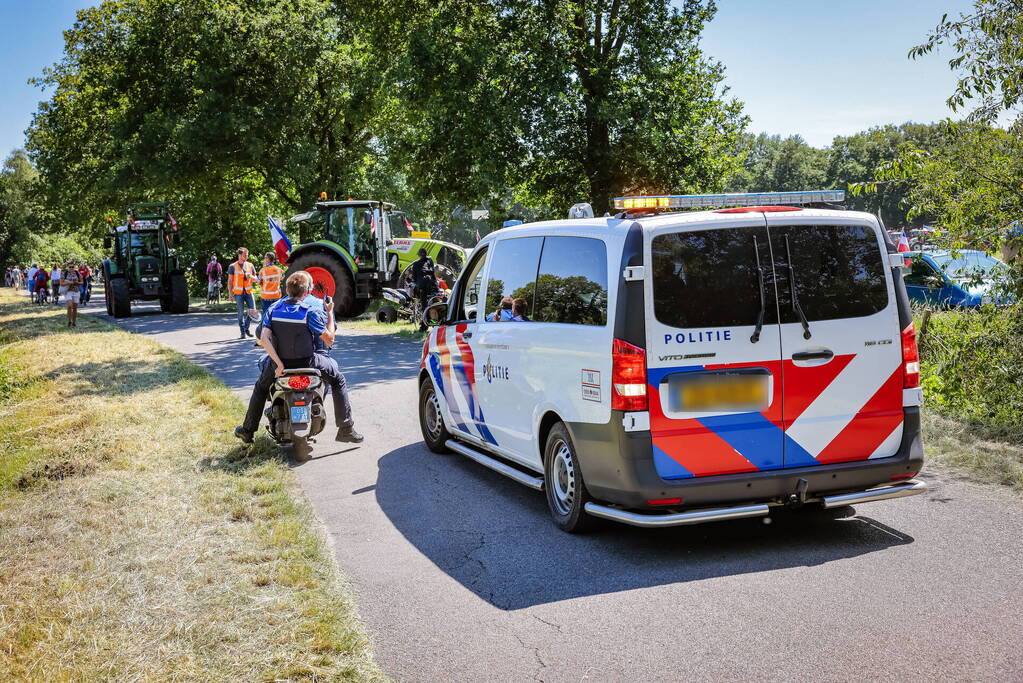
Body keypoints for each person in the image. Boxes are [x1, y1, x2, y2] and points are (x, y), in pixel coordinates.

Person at [235, 270, 363, 444]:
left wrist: (278, 364)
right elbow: (329, 338)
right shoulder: (310, 311)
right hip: (309, 362)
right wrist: (330, 313)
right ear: (307, 291)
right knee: (338, 379)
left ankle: (248, 431)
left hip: (280, 365)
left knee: (260, 387)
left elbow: (263, 338)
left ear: (287, 290)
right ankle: (346, 428)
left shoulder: (274, 308)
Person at [227, 248, 257, 338]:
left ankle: (246, 328)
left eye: (247, 255)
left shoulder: (250, 265)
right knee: (240, 313)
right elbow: (230, 281)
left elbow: (256, 279)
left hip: (248, 291)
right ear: (239, 255)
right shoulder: (232, 266)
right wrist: (230, 293)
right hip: (238, 293)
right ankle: (242, 332)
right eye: (245, 255)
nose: (246, 256)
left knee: (253, 311)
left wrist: (250, 276)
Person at [410, 248, 437, 331]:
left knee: (424, 305)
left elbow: (414, 277)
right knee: (434, 303)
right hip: (432, 284)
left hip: (422, 285)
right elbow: (433, 273)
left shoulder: (416, 264)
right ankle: (435, 321)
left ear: (419, 255)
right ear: (426, 254)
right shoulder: (430, 261)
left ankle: (423, 326)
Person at [60, 261, 83, 327]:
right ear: (68, 267)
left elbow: (82, 282)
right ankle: (69, 321)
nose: (71, 268)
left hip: (76, 291)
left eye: (72, 267)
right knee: (70, 306)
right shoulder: (64, 273)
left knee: (75, 308)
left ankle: (74, 322)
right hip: (68, 291)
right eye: (70, 267)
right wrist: (70, 283)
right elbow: (61, 283)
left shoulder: (77, 273)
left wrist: (77, 283)